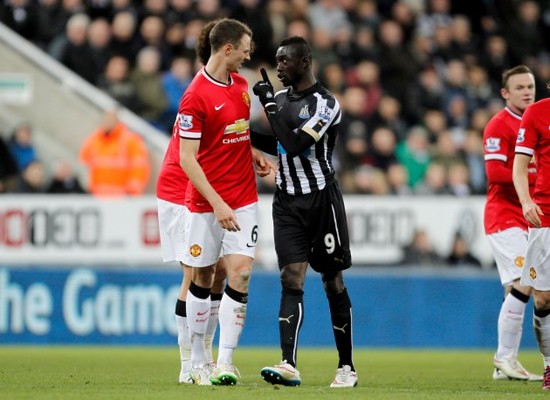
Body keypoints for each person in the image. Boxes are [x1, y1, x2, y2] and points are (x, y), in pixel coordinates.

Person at [156, 19, 272, 385]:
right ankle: (192, 361)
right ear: (227, 49)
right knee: (198, 275)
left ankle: (224, 362)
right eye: (245, 48)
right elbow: (187, 158)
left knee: (237, 271)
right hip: (199, 196)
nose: (249, 55)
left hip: (241, 195)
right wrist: (217, 204)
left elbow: (233, 130)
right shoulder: (194, 96)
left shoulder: (241, 86)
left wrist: (251, 151)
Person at [251, 36, 357, 388]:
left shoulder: (326, 104)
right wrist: (242, 134)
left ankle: (346, 367)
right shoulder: (280, 100)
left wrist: (267, 106)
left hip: (321, 201)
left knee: (332, 281)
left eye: (285, 60)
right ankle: (288, 363)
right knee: (290, 278)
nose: (278, 66)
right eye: (277, 60)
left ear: (305, 61)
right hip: (286, 202)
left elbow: (296, 144)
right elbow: (277, 143)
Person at [484, 65, 541, 381]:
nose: (527, 92)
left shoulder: (538, 124)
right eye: (519, 87)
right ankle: (503, 357)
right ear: (505, 93)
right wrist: (534, 175)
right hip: (505, 218)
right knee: (526, 282)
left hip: (531, 218)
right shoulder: (498, 125)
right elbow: (494, 174)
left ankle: (505, 366)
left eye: (530, 86)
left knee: (516, 289)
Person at [513, 86, 550, 390]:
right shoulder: (536, 113)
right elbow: (519, 166)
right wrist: (526, 201)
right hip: (545, 215)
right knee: (543, 297)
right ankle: (549, 363)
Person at [79, 108, 151, 197]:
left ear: (117, 121)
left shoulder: (130, 141)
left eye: (111, 120)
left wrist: (132, 191)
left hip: (122, 197)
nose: (107, 122)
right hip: (97, 196)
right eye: (106, 119)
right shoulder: (93, 140)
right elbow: (84, 165)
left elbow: (139, 167)